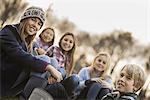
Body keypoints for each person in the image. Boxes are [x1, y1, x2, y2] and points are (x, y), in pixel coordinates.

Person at [0, 6, 63, 99]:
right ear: (24, 19)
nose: (35, 25)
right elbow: (19, 55)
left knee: (53, 61)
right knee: (45, 61)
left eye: (39, 24)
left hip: (14, 77)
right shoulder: (9, 31)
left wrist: (51, 68)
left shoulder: (29, 43)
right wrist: (48, 68)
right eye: (33, 20)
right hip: (4, 80)